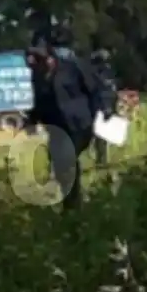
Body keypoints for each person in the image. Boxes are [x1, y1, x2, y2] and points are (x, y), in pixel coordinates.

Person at [25, 31, 110, 210]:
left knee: (67, 157)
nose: (33, 63)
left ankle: (74, 205)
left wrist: (104, 109)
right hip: (56, 127)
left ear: (49, 59)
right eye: (30, 59)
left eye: (37, 58)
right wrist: (32, 120)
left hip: (80, 124)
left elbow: (96, 89)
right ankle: (71, 204)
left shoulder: (72, 68)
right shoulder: (37, 77)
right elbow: (39, 102)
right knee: (59, 162)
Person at [90, 49, 118, 165]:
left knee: (99, 137)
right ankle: (103, 160)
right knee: (102, 138)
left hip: (99, 108)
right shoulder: (109, 74)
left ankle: (102, 161)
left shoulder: (96, 75)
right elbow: (113, 92)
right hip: (106, 108)